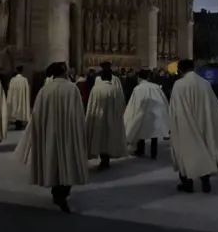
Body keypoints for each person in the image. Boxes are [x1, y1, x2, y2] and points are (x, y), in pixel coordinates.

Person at [14, 62, 88, 213]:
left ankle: (56, 191)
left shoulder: (45, 90)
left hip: (50, 132)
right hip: (68, 132)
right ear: (62, 72)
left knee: (53, 160)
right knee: (68, 161)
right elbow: (79, 113)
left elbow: (37, 114)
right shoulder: (71, 89)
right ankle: (63, 194)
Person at [169, 59, 218, 193]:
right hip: (203, 123)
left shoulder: (179, 85)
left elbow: (175, 108)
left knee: (186, 153)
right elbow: (213, 106)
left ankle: (187, 183)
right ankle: (205, 182)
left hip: (185, 124)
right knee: (204, 151)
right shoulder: (204, 83)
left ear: (181, 70)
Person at [85, 67, 128, 170]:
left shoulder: (95, 89)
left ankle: (102, 157)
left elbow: (90, 105)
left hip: (98, 117)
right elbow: (121, 105)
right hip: (111, 118)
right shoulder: (115, 90)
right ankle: (106, 159)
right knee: (109, 137)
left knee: (99, 137)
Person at [123, 69, 170, 159]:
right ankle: (153, 153)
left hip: (142, 114)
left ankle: (140, 150)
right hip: (155, 114)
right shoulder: (155, 87)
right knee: (154, 134)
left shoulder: (138, 88)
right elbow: (163, 101)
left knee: (141, 131)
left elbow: (134, 103)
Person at [7, 66, 31, 130]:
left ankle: (17, 122)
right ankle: (19, 122)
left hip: (15, 97)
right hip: (21, 98)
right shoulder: (24, 80)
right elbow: (27, 90)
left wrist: (9, 99)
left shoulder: (13, 80)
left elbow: (10, 91)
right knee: (21, 108)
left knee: (15, 108)